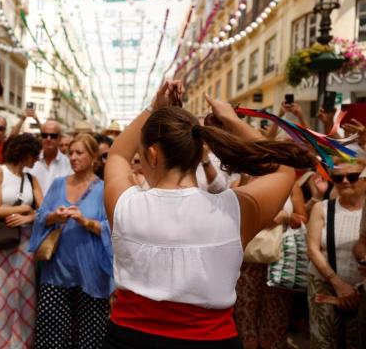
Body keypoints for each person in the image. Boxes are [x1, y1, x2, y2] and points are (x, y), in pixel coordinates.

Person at [102, 81, 316, 348]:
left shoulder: (126, 205)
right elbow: (282, 168)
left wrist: (154, 108)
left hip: (128, 339)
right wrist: (231, 121)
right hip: (211, 341)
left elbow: (119, 155)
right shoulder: (232, 211)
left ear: (152, 155)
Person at [30, 133, 114, 348]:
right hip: (57, 270)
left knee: (90, 336)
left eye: (80, 153)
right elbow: (41, 216)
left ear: (94, 156)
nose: (73, 157)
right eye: (71, 153)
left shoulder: (104, 189)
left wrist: (85, 221)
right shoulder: (58, 184)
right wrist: (53, 217)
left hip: (92, 274)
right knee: (52, 334)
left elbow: (112, 229)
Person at [0, 133, 44, 348]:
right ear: (24, 153)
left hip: (26, 243)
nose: (37, 159)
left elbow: (43, 210)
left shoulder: (31, 179)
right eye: (34, 155)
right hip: (1, 242)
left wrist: (29, 217)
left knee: (24, 297)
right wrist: (24, 208)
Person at [234, 182, 307, 349]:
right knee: (245, 315)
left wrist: (286, 217)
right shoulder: (244, 180)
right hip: (247, 260)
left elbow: (303, 218)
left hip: (279, 261)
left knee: (276, 318)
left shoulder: (291, 185)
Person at [307, 160, 365, 348]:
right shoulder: (322, 208)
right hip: (325, 284)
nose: (345, 181)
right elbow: (312, 249)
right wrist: (338, 284)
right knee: (324, 342)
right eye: (338, 178)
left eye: (353, 176)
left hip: (361, 290)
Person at [27, 120, 73, 195]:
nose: (48, 139)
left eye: (53, 136)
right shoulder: (29, 161)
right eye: (45, 135)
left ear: (59, 138)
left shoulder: (68, 164)